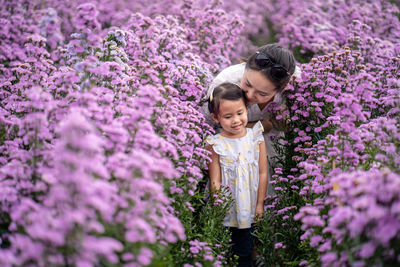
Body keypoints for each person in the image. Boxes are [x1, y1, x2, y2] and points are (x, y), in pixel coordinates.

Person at [201, 43, 299, 196]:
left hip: (269, 142)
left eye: (263, 94)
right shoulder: (225, 84)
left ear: (282, 89)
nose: (250, 95)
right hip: (229, 144)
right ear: (245, 67)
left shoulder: (295, 84)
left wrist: (283, 116)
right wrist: (261, 125)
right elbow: (210, 127)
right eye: (247, 84)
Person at [205, 82, 268, 266]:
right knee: (225, 250)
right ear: (216, 118)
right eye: (228, 116)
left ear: (246, 108)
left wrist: (260, 205)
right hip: (228, 211)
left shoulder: (255, 137)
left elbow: (263, 173)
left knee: (246, 250)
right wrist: (219, 207)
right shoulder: (215, 144)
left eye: (240, 113)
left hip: (249, 209)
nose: (236, 120)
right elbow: (214, 180)